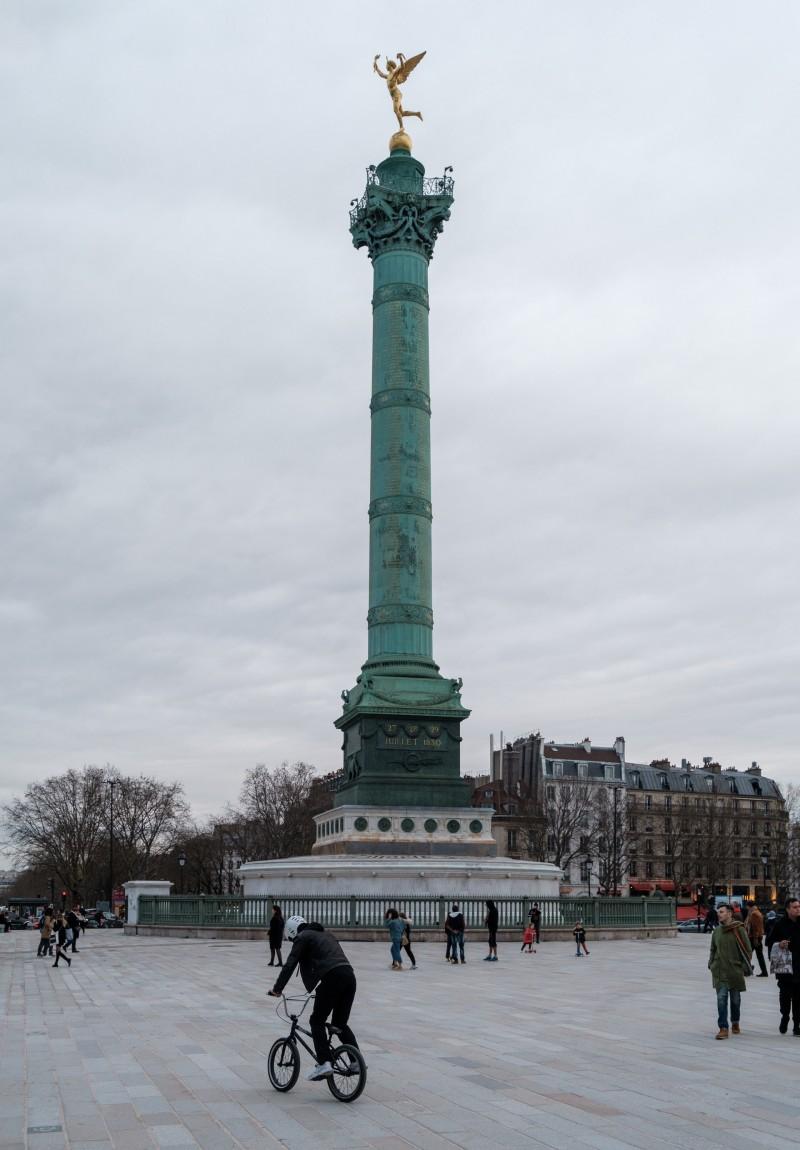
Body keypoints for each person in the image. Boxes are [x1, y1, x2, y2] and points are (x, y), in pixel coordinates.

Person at [267, 915, 359, 1081]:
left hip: (332, 978)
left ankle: (324, 1063)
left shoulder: (303, 937)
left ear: (291, 931)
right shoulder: (327, 934)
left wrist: (277, 989)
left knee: (316, 1021)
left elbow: (290, 964)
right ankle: (356, 1061)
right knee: (340, 1024)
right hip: (349, 977)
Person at [708, 902, 751, 1039]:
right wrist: (711, 964)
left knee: (735, 1000)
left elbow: (747, 949)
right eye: (718, 912)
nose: (719, 914)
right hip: (720, 971)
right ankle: (723, 1028)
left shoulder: (739, 929)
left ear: (730, 913)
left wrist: (743, 966)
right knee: (721, 999)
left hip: (735, 970)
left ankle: (735, 1022)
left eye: (721, 911)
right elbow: (713, 949)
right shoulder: (716, 931)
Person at [769, 896, 800, 1035]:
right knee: (785, 996)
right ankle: (785, 1017)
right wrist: (779, 943)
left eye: (799, 906)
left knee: (799, 997)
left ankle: (797, 1025)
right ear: (788, 909)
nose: (798, 909)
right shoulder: (779, 924)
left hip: (799, 966)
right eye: (795, 907)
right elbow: (769, 941)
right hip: (785, 967)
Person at [746, 902, 768, 977]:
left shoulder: (754, 914)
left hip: (754, 937)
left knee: (747, 954)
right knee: (759, 955)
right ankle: (764, 972)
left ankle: (748, 970)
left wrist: (755, 939)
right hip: (757, 937)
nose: (746, 908)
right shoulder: (757, 912)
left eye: (747, 907)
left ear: (749, 906)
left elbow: (755, 927)